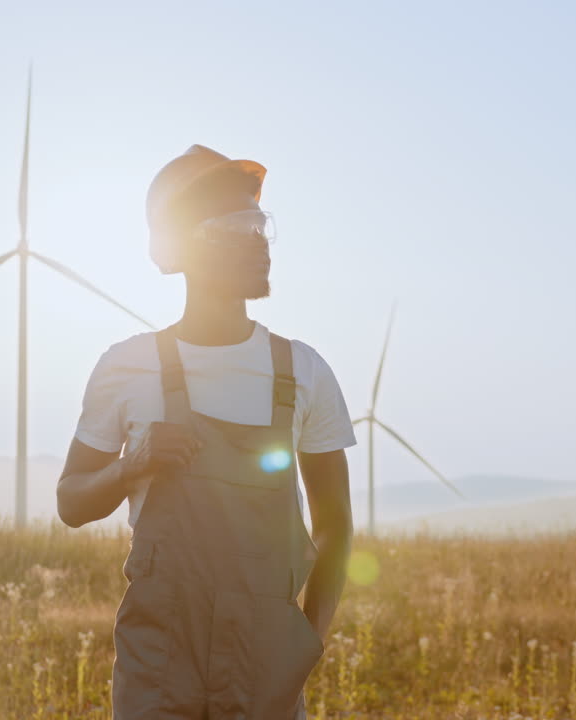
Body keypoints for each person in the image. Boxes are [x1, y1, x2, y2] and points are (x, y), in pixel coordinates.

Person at [57, 144, 356, 719]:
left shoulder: (304, 371)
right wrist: (132, 464)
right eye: (235, 226)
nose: (257, 239)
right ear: (182, 247)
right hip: (159, 664)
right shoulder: (126, 367)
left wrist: (304, 644)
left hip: (266, 665)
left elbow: (337, 526)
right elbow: (71, 501)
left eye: (261, 224)